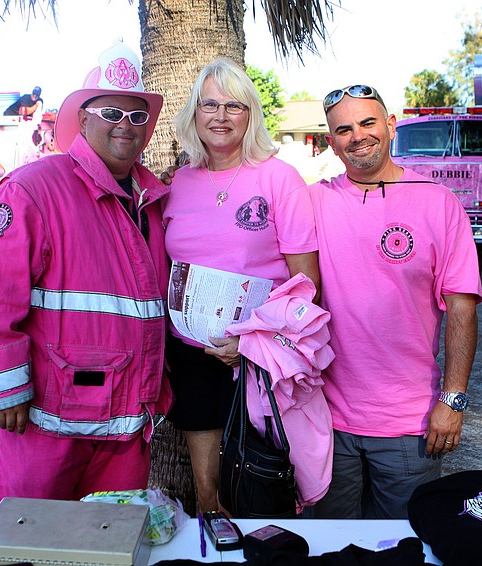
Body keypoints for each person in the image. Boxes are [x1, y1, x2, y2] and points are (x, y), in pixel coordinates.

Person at [0, 40, 171, 519]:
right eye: (111, 112)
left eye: (137, 116)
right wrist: (4, 389)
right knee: (23, 537)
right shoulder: (33, 189)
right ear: (84, 119)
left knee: (110, 541)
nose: (125, 125)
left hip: (124, 427)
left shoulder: (153, 201)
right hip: (44, 423)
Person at [308, 85, 482, 520]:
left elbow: (462, 309)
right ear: (331, 142)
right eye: (344, 130)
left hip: (409, 424)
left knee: (403, 542)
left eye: (368, 123)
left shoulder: (439, 203)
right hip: (325, 421)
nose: (357, 136)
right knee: (330, 542)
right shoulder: (313, 201)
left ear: (390, 126)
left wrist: (453, 400)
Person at [162, 58, 320, 514]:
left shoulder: (279, 178)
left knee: (260, 493)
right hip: (191, 354)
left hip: (258, 357)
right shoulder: (178, 183)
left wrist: (250, 342)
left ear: (251, 114)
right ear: (194, 113)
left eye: (234, 105)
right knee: (210, 500)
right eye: (209, 104)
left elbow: (306, 283)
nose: (221, 115)